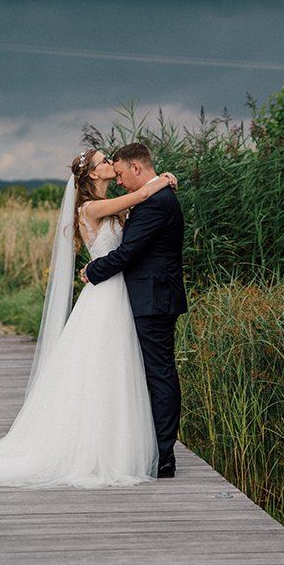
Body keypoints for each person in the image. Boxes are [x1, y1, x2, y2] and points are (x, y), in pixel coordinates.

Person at [0, 148, 177, 488]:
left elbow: (135, 222)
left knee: (115, 370)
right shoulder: (90, 207)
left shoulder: (113, 204)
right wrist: (162, 180)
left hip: (119, 293)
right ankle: (99, 448)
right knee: (101, 369)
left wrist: (96, 267)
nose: (111, 166)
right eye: (105, 162)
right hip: (106, 294)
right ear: (92, 174)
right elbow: (142, 196)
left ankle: (119, 443)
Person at [82, 142, 187, 478]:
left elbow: (128, 252)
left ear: (137, 168)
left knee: (158, 374)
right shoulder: (151, 197)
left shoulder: (154, 202)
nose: (119, 179)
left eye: (122, 172)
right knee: (138, 373)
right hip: (141, 298)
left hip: (152, 300)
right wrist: (163, 179)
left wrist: (93, 270)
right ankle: (145, 448)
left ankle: (164, 456)